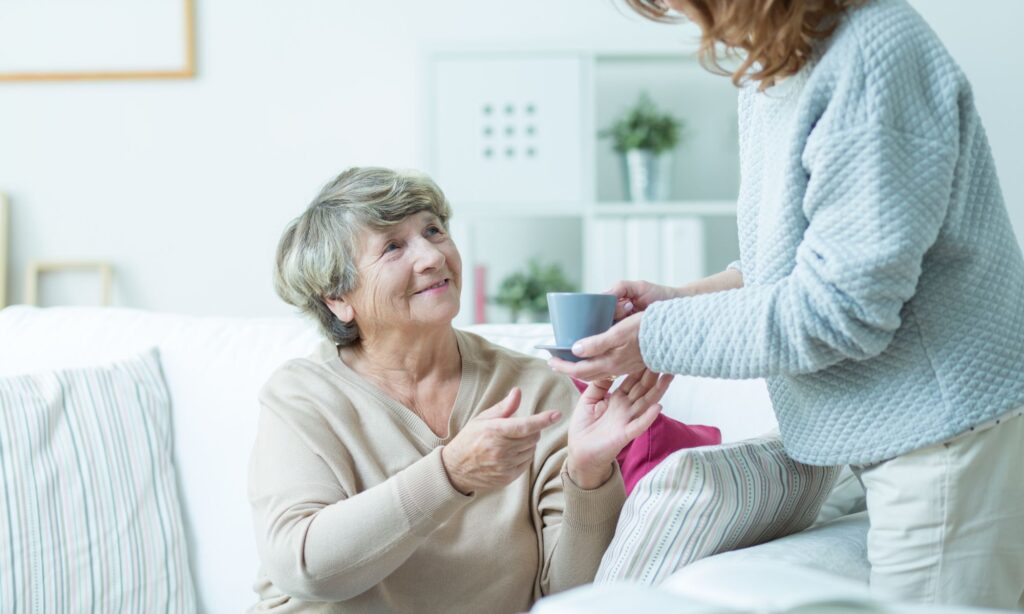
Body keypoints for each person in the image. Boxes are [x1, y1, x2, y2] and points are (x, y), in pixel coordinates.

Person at [551, 0, 1024, 609]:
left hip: (945, 429)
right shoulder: (773, 65)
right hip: (887, 433)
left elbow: (840, 310)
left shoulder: (874, 51)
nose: (676, 12)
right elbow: (802, 265)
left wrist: (655, 335)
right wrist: (675, 301)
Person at [247, 167, 673, 613]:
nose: (432, 256)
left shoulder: (534, 389)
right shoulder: (302, 396)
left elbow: (569, 598)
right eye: (393, 246)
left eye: (434, 230)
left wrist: (589, 475)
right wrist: (450, 474)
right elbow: (304, 568)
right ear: (337, 298)